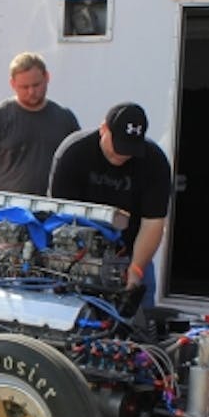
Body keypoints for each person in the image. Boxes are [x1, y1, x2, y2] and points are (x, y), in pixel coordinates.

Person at [48, 103, 172, 304]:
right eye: (118, 146)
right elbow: (60, 215)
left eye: (130, 149)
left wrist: (136, 270)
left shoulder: (154, 162)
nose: (122, 155)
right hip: (77, 253)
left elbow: (153, 223)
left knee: (141, 315)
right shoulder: (74, 152)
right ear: (103, 129)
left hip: (131, 253)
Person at [0, 52, 79, 223]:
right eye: (24, 87)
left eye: (36, 85)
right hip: (6, 218)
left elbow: (78, 167)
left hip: (52, 218)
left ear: (47, 77)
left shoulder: (64, 118)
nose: (31, 92)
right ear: (12, 84)